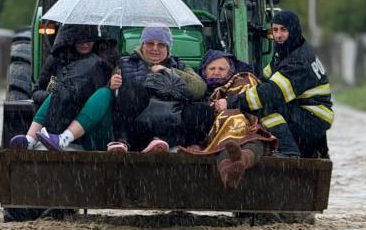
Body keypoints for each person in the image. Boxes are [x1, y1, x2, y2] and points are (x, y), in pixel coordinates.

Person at [213, 10, 333, 158]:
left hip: (313, 120)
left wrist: (231, 102)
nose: (278, 35)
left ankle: (289, 151)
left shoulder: (299, 61)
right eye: (275, 30)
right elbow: (265, 78)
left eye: (283, 30)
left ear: (293, 30)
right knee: (257, 100)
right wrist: (240, 81)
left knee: (264, 105)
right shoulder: (286, 50)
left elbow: (271, 92)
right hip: (304, 112)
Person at [9, 24, 116, 152]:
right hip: (59, 121)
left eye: (89, 40)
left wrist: (112, 85)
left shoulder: (105, 63)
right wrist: (57, 96)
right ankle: (30, 140)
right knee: (57, 92)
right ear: (70, 38)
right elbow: (36, 91)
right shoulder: (57, 60)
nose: (85, 44)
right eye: (81, 40)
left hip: (92, 131)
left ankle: (64, 138)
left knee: (104, 93)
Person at [181, 52, 277, 190]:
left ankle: (236, 165)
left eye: (222, 69)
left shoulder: (241, 84)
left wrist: (230, 106)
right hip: (214, 137)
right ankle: (230, 172)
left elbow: (253, 106)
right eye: (212, 69)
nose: (216, 72)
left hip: (245, 130)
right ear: (204, 71)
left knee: (253, 141)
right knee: (229, 145)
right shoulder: (198, 93)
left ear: (231, 71)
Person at [108, 23, 207, 153]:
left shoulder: (179, 66)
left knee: (202, 109)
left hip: (169, 126)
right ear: (142, 45)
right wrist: (112, 86)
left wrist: (168, 71)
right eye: (150, 43)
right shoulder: (125, 63)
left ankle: (172, 143)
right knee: (132, 90)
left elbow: (199, 89)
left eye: (161, 44)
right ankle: (122, 141)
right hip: (137, 127)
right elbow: (114, 96)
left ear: (168, 48)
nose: (155, 49)